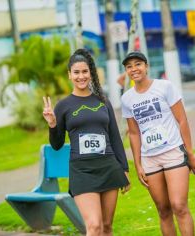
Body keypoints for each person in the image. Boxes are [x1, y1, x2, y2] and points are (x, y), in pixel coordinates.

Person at [42, 48, 130, 236]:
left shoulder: (102, 101)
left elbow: (114, 136)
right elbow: (56, 145)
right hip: (82, 172)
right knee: (94, 226)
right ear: (69, 75)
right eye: (76, 72)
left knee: (106, 226)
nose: (81, 76)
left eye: (84, 71)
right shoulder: (63, 106)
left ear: (91, 73)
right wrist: (52, 124)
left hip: (108, 168)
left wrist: (124, 169)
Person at [120, 51, 195, 235]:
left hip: (173, 152)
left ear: (146, 66)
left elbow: (182, 120)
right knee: (163, 210)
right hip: (150, 159)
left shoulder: (165, 87)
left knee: (179, 205)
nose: (134, 69)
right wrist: (138, 164)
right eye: (129, 66)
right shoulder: (127, 99)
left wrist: (190, 153)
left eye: (138, 64)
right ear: (126, 71)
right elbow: (133, 133)